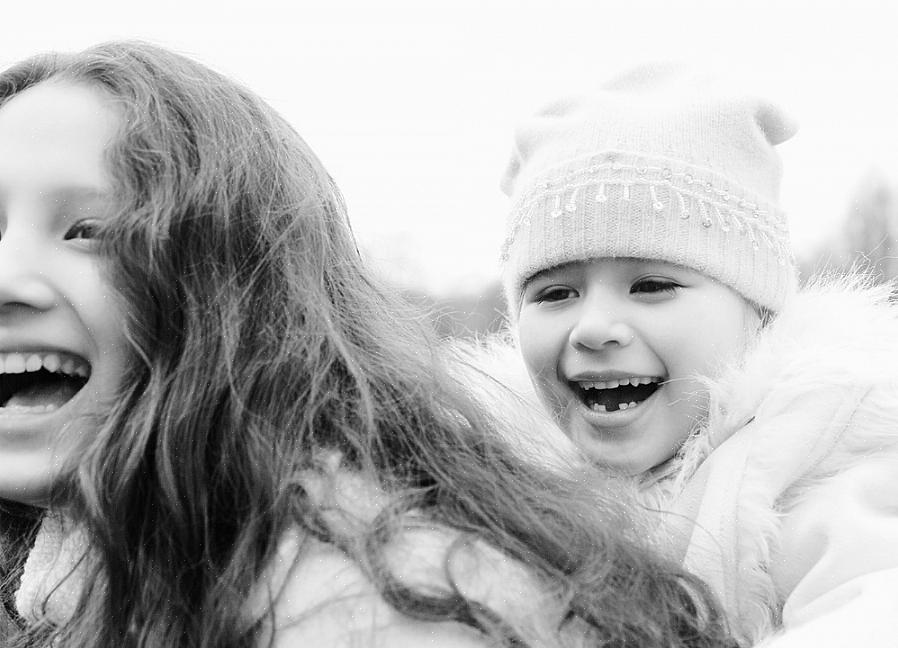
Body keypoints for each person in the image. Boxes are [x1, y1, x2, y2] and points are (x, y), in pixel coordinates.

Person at [0, 42, 735, 647]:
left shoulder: (365, 609)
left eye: (92, 232)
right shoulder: (96, 567)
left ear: (239, 290)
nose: (8, 279)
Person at [499, 64, 898, 646]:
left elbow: (875, 610)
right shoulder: (503, 482)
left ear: (756, 310)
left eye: (651, 286)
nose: (594, 328)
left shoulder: (817, 460)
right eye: (555, 294)